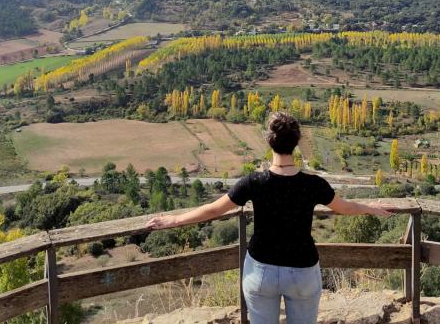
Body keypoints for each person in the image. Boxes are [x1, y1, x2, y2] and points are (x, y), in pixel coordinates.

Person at [148, 111, 392, 324]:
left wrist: (174, 220)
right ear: (296, 143)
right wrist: (369, 207)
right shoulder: (313, 184)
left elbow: (214, 210)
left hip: (261, 271)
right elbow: (345, 208)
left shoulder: (254, 182)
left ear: (269, 141)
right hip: (302, 270)